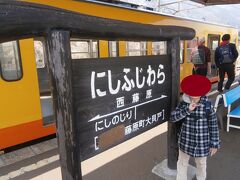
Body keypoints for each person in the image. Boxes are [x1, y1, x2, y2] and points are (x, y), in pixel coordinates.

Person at [171, 75, 220, 180]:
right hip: (185, 141)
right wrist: (187, 110)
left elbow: (213, 125)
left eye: (197, 94)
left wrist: (214, 144)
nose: (194, 97)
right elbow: (173, 118)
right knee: (182, 163)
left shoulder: (207, 106)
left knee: (201, 164)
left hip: (202, 142)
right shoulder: (183, 104)